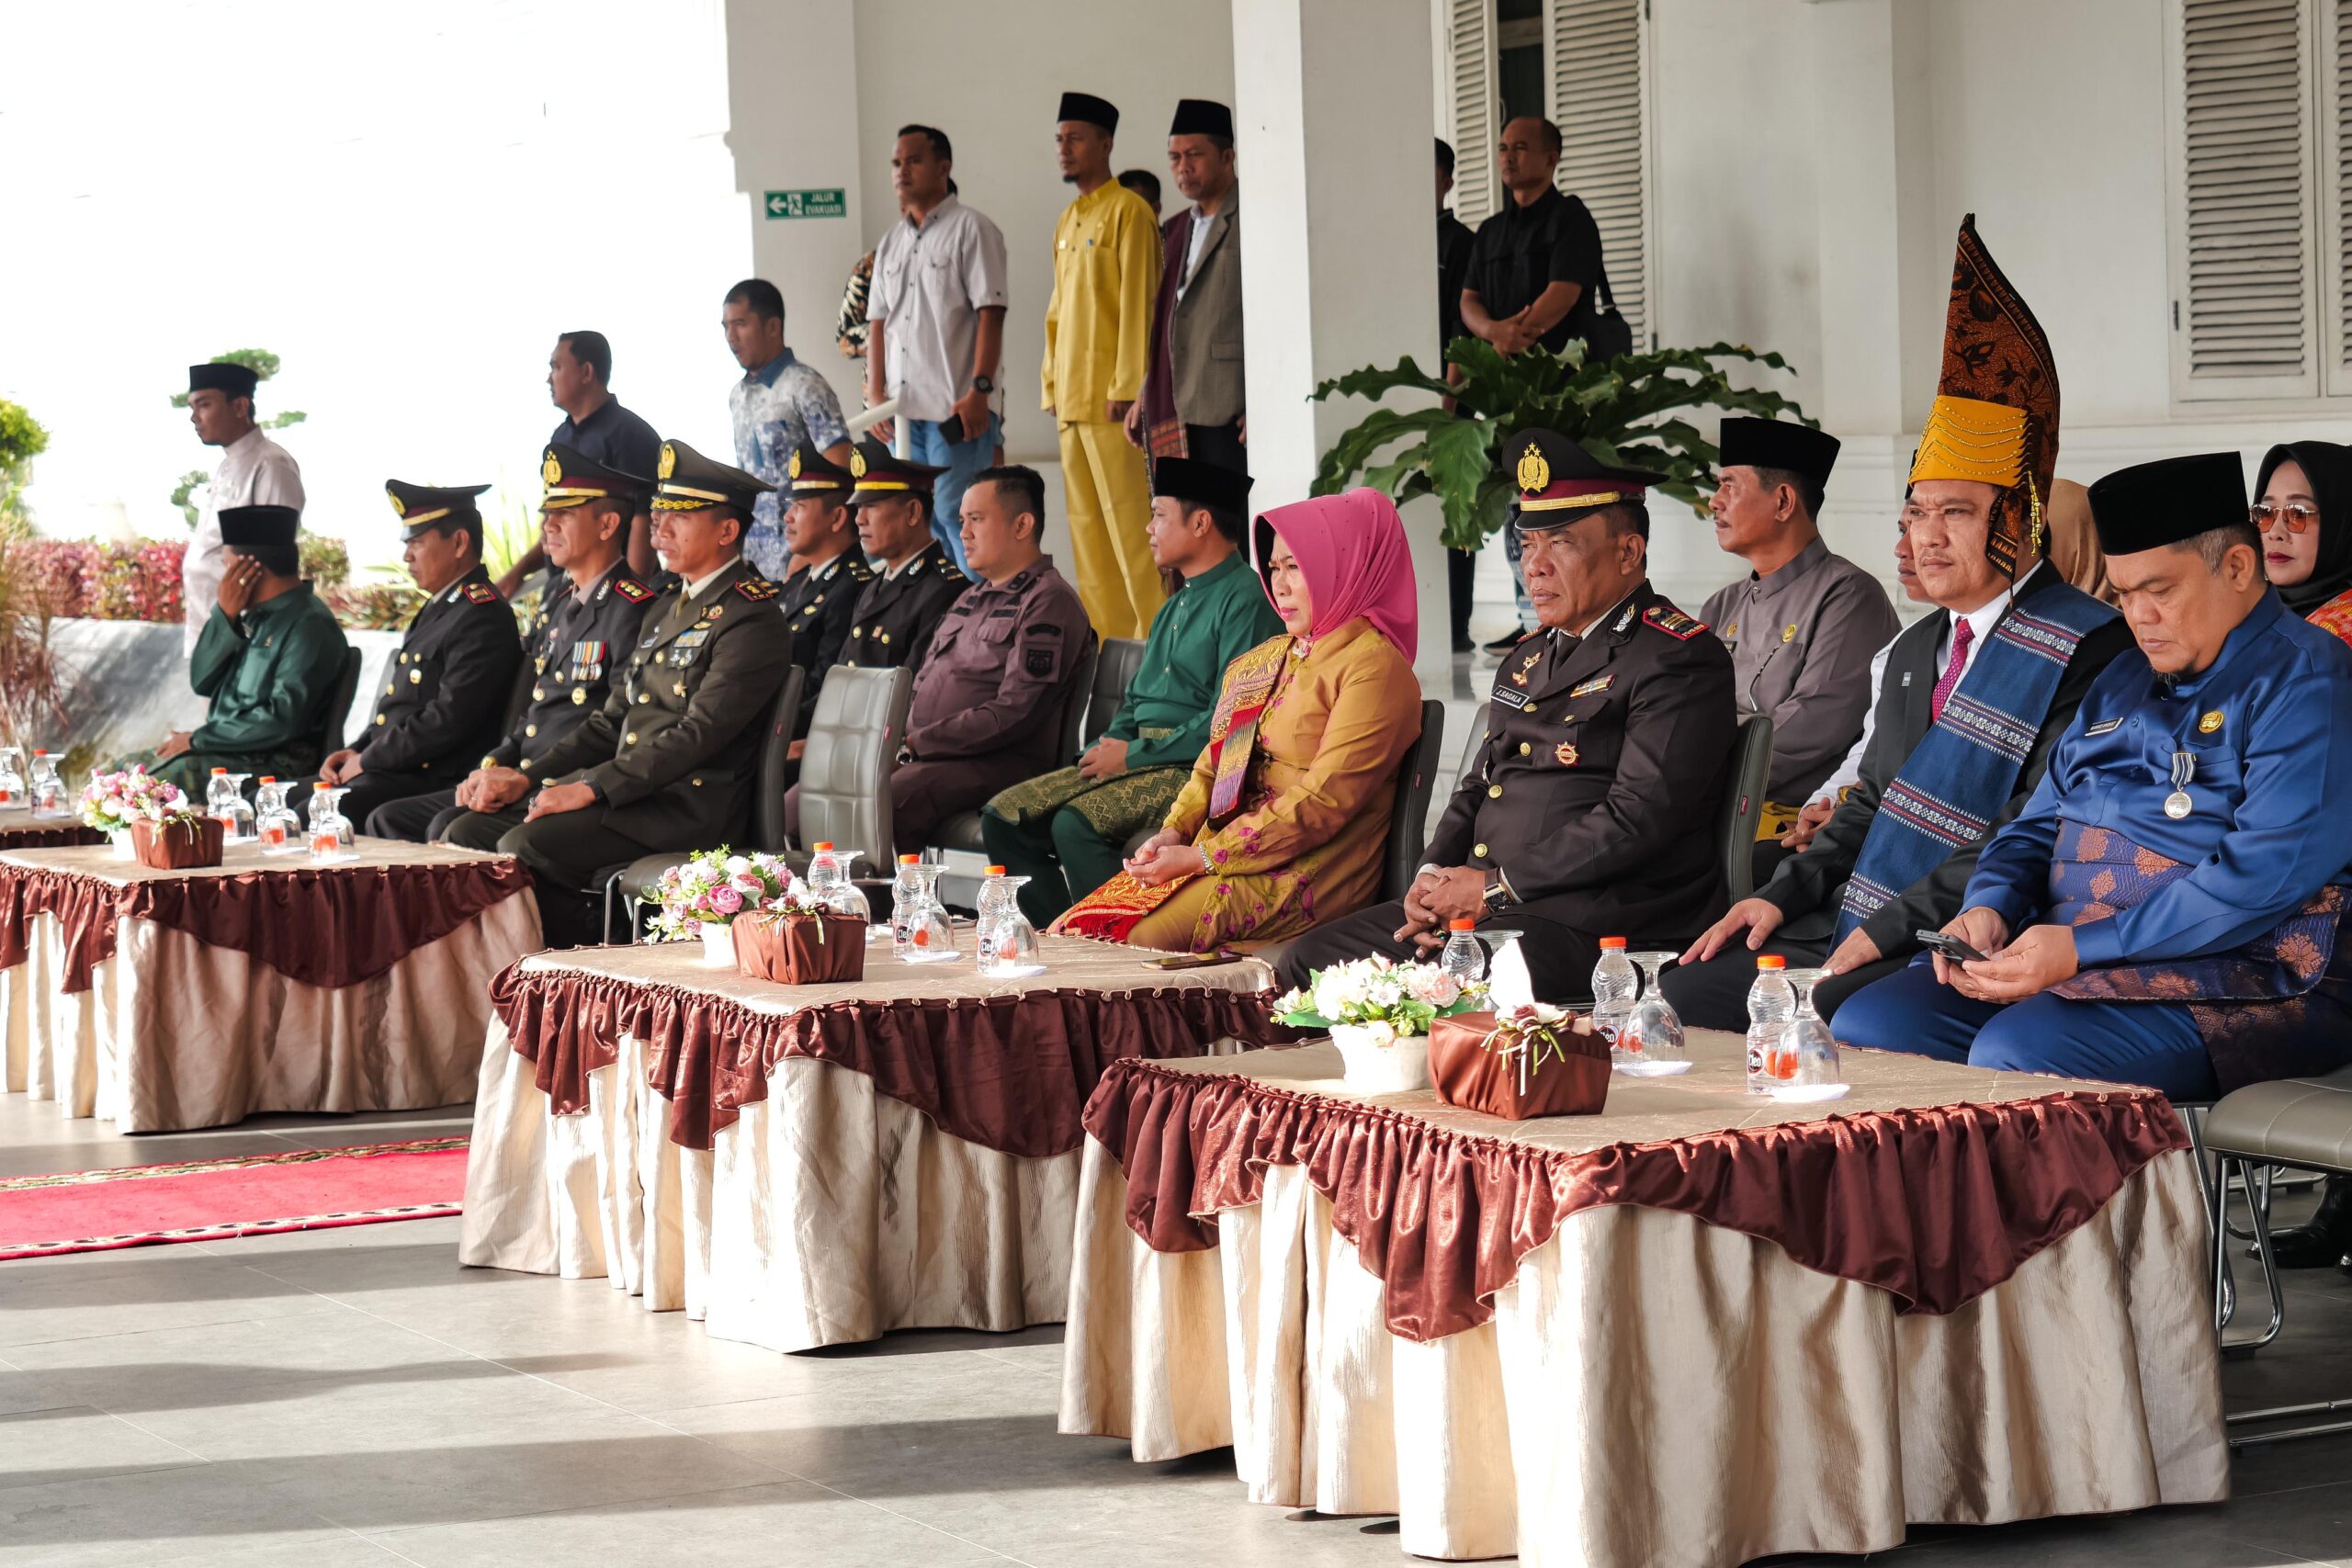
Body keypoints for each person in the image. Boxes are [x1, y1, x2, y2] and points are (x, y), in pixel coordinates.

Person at [1666, 215, 2130, 1030]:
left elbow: (2028, 830)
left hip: (1973, 928)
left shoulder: (2085, 644)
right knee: (1690, 988)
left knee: (1828, 1016)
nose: (1926, 536)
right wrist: (1780, 899)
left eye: (1957, 512)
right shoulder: (1918, 647)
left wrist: (1883, 931)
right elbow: (1873, 797)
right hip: (1859, 909)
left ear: (2016, 525)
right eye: (1916, 512)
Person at [1834, 451, 2352, 1101]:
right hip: (2072, 958)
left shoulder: (2308, 679)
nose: (2138, 616)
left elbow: (2259, 879)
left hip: (2245, 973)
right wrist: (1987, 906)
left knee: (2019, 1052)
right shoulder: (2123, 677)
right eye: (2125, 592)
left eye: (2159, 591)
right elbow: (2033, 826)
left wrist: (2083, 947)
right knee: (1869, 1025)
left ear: (2239, 568)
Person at [1273, 433, 1734, 998]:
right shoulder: (1529, 656)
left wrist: (1492, 889)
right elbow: (1478, 788)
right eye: (1527, 543)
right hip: (1487, 908)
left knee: (1466, 985)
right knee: (1312, 961)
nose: (1533, 566)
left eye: (1560, 544)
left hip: (1598, 923)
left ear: (1627, 552)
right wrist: (1430, 880)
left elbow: (1637, 819)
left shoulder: (1676, 656)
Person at [1058, 488, 1424, 952]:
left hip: (1303, 874)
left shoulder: (1374, 668)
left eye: (1296, 567)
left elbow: (1325, 801)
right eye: (1273, 568)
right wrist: (1174, 831)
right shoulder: (1263, 660)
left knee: (1134, 944)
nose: (1280, 586)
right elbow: (1215, 768)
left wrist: (1202, 857)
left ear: (1342, 567)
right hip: (1221, 856)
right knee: (1077, 930)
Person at [493, 440, 796, 945]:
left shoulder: (751, 617)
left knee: (527, 845)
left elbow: (698, 734)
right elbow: (611, 721)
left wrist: (591, 786)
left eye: (682, 515)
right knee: (473, 829)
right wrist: (528, 780)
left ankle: (580, 969)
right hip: (636, 796)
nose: (662, 527)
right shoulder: (667, 606)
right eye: (662, 512)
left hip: (686, 809)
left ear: (727, 531)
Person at [982, 457, 1284, 926]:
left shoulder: (1246, 598)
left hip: (1193, 765)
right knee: (1004, 816)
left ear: (1200, 522)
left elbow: (1229, 717)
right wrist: (1107, 748)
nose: (1148, 528)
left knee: (1073, 824)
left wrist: (1134, 755)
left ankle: (1115, 933)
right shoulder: (1173, 605)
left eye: (1159, 515)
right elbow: (1136, 702)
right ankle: (1059, 929)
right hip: (1138, 756)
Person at [790, 465, 1092, 853]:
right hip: (922, 754)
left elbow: (1016, 712)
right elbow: (919, 684)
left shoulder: (1047, 602)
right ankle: (812, 910)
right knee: (801, 802)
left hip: (997, 761)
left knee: (876, 805)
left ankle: (875, 911)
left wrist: (916, 745)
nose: (963, 532)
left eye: (977, 520)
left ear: (1022, 526)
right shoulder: (971, 596)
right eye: (962, 520)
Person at [368, 445, 654, 844]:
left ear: (607, 525)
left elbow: (614, 725)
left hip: (569, 781)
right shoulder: (558, 603)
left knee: (451, 830)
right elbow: (531, 713)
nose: (547, 527)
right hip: (523, 773)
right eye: (547, 514)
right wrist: (491, 766)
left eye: (564, 514)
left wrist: (524, 777)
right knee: (391, 819)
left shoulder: (633, 608)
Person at [2235, 441, 2352, 1269]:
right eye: (2264, 512)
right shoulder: (2263, 623)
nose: (2277, 530)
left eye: (2301, 514)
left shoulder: (2336, 631)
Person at [1700, 417, 1898, 883]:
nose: (1715, 500)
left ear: (1784, 501)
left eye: (1729, 484)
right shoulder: (1720, 604)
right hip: (1706, 810)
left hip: (1789, 832)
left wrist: (1689, 770)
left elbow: (1812, 726)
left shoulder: (1848, 595)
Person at [1463, 116, 1611, 655]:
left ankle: (1573, 615)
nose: (1508, 157)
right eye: (1503, 147)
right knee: (1516, 504)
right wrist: (1493, 333)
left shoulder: (1571, 218)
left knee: (1561, 506)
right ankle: (1533, 615)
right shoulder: (1490, 232)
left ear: (1552, 157)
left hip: (1565, 395)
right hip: (1508, 400)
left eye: (1521, 148)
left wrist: (1518, 335)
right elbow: (1469, 301)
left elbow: (1566, 291)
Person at [320, 481, 523, 829]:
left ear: (459, 542)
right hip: (396, 765)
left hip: (433, 775)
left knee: (316, 808)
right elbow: (397, 708)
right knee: (295, 799)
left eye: (416, 542)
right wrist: (357, 749)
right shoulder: (441, 607)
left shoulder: (481, 614)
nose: (406, 556)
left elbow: (447, 719)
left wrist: (369, 759)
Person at [114, 504, 347, 794]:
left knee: (148, 786)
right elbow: (203, 681)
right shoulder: (258, 618)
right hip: (230, 751)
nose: (223, 577)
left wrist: (197, 739)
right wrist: (224, 616)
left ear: (248, 570)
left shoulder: (308, 625)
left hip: (274, 763)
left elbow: (281, 720)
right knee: (120, 772)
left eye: (227, 566)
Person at [1043, 90, 1166, 641]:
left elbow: (1143, 302)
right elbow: (1056, 313)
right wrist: (1050, 383)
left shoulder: (1130, 212)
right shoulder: (1069, 219)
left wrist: (1128, 384)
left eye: (1075, 139)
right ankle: (1112, 652)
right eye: (1060, 140)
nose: (1064, 150)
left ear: (1106, 143)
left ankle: (1156, 644)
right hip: (1071, 402)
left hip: (1114, 406)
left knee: (1133, 533)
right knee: (1088, 539)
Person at [865, 125, 1009, 578]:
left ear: (943, 168)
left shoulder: (973, 229)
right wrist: (875, 393)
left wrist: (980, 389)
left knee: (959, 515)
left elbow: (992, 312)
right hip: (907, 414)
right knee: (924, 523)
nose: (901, 171)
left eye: (913, 160)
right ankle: (953, 624)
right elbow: (877, 322)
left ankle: (985, 616)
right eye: (895, 163)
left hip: (957, 411)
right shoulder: (891, 242)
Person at [497, 332, 663, 595]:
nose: (548, 378)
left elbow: (644, 524)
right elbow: (555, 526)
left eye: (557, 367)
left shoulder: (631, 436)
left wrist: (626, 602)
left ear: (586, 372)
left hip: (610, 595)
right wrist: (516, 574)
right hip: (563, 591)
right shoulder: (560, 438)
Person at [1130, 98, 1245, 474]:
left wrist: (1264, 401)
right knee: (1194, 526)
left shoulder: (1252, 216)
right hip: (1178, 406)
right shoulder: (1177, 228)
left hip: (1229, 407)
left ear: (1228, 156)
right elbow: (1169, 319)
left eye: (1194, 155)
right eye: (1175, 157)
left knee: (1232, 527)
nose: (1183, 167)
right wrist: (1148, 392)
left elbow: (1275, 316)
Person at [723, 277, 854, 581]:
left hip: (801, 558)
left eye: (741, 324)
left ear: (772, 326)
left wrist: (810, 549)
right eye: (725, 326)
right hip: (754, 559)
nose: (731, 336)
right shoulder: (737, 395)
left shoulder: (804, 385)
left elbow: (840, 464)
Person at [180, 362, 304, 657]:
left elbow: (273, 557)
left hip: (245, 636)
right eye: (192, 407)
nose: (194, 417)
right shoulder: (227, 465)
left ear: (239, 406)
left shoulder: (271, 465)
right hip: (213, 632)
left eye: (204, 405)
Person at [774, 443, 875, 751]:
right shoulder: (799, 583)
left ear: (837, 518)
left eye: (800, 507)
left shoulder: (851, 587)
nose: (788, 517)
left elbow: (824, 684)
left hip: (805, 737)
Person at [836, 438, 964, 672]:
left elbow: (914, 691)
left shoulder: (944, 590)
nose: (859, 519)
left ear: (913, 512)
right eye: (858, 508)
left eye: (871, 506)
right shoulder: (872, 588)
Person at [1438, 137, 1479, 654]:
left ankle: (1455, 625)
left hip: (1450, 399)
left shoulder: (1462, 243)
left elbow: (1461, 333)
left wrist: (1446, 402)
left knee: (1454, 510)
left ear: (1446, 179)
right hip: (1404, 404)